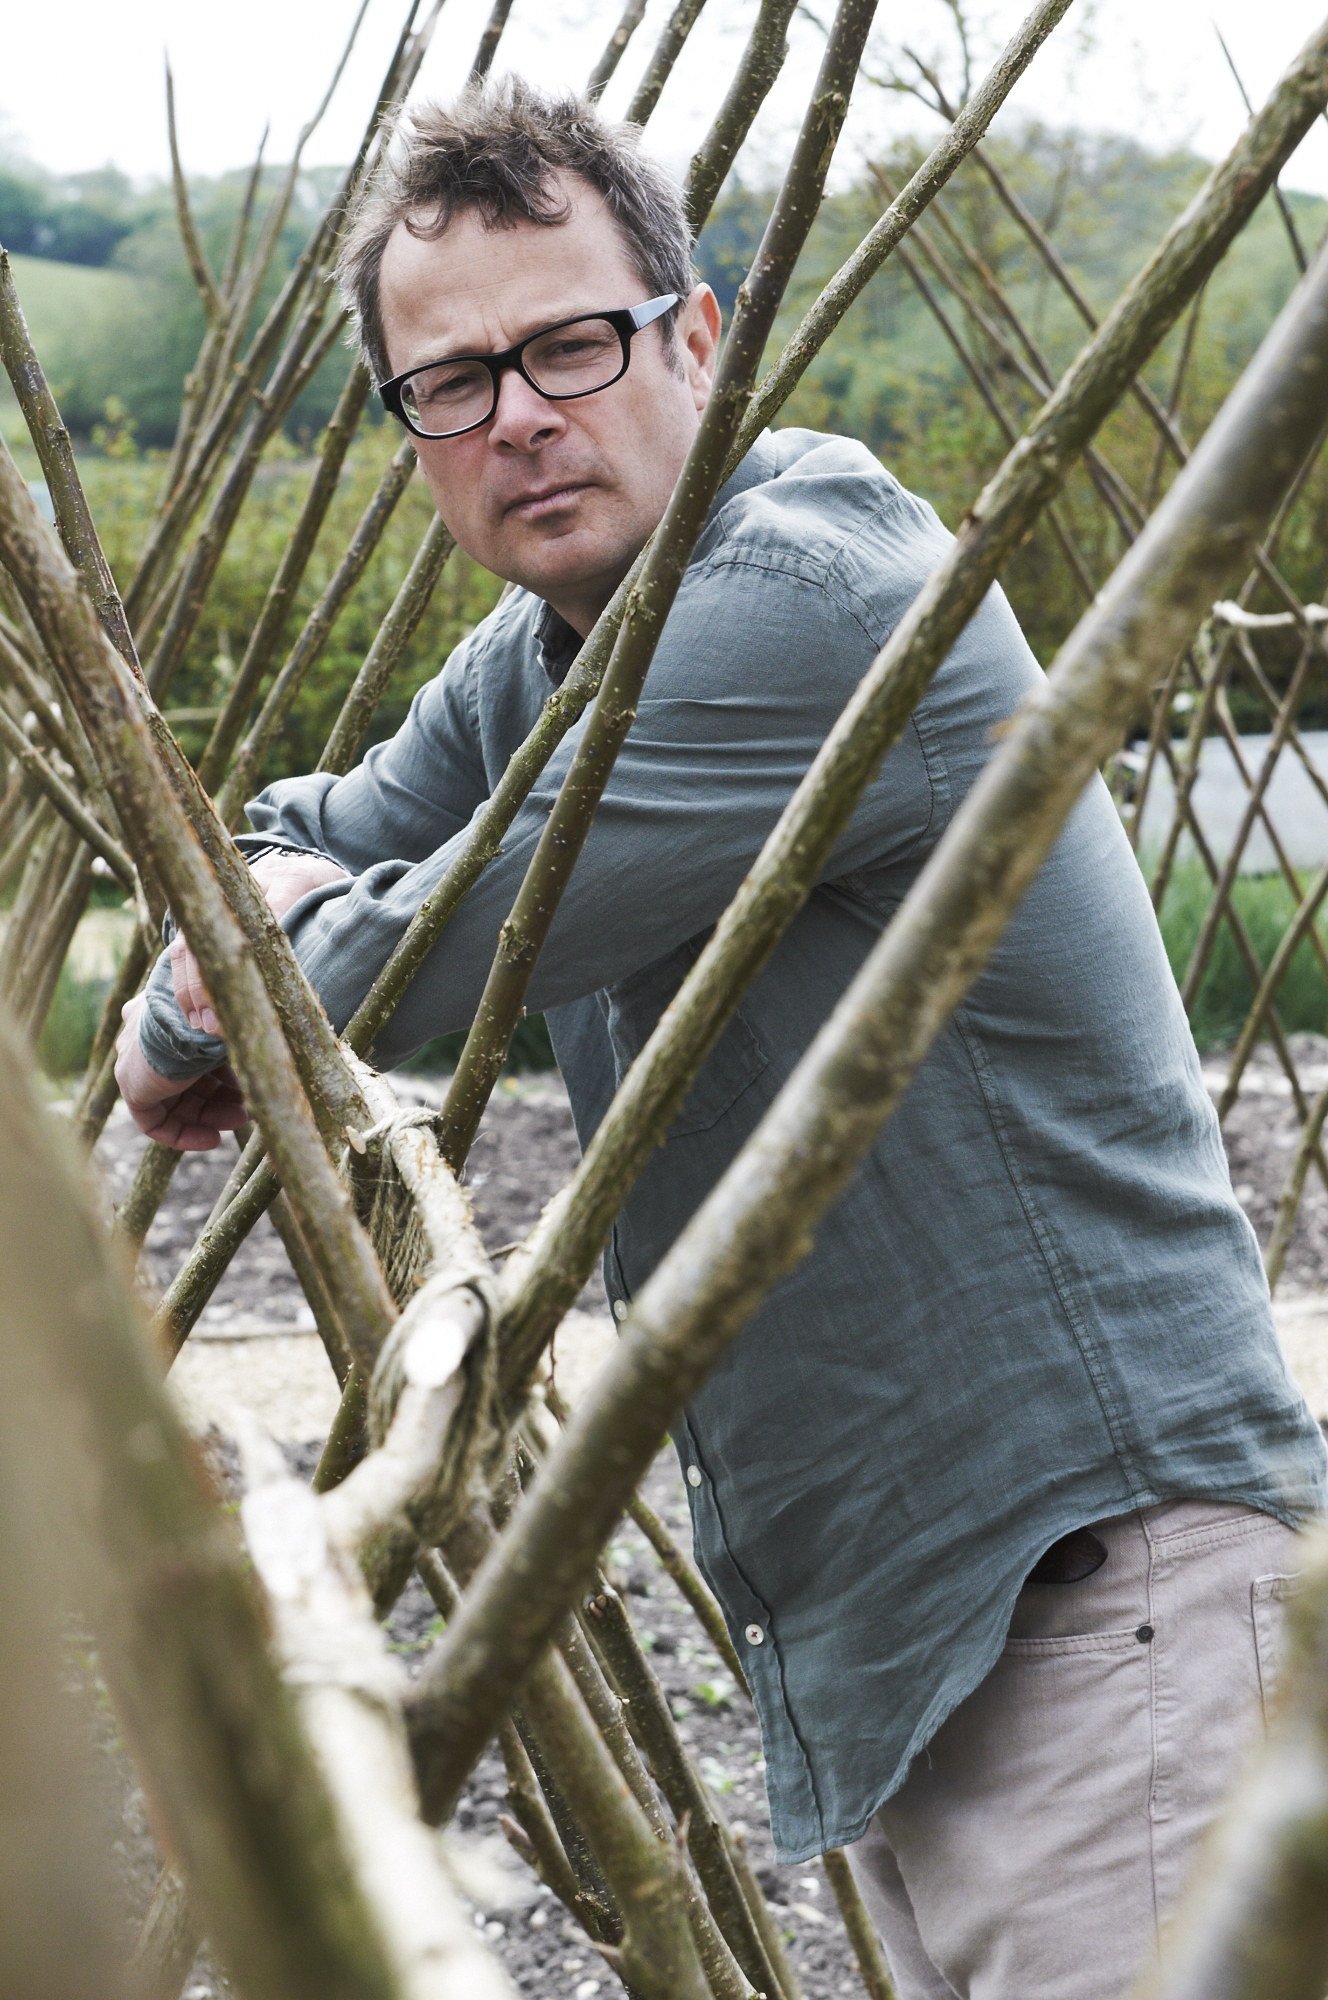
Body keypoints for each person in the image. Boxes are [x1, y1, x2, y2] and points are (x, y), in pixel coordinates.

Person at [115, 79, 1326, 1998]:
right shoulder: (541, 656)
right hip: (940, 1644)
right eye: (452, 382)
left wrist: (207, 994)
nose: (519, 413)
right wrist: (217, 972)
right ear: (412, 429)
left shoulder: (803, 595)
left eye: (569, 344)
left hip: (1109, 1607)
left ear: (696, 333)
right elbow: (283, 850)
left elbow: (423, 948)